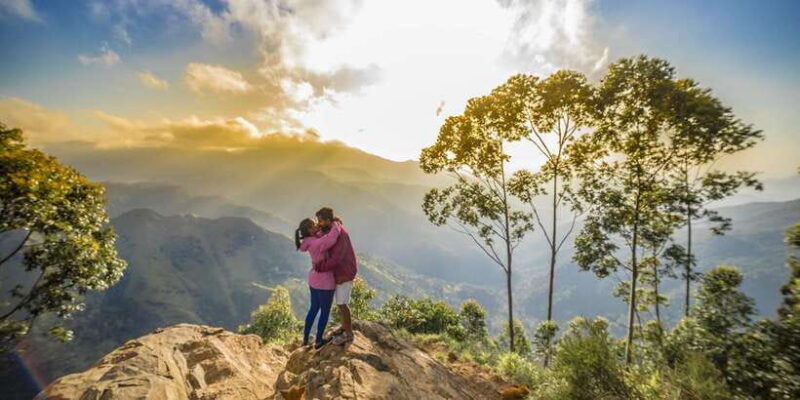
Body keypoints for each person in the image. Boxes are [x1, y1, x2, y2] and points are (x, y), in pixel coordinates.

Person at [313, 207, 358, 346]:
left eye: (320, 221)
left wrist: (320, 267)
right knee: (340, 303)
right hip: (340, 271)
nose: (318, 223)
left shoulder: (341, 234)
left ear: (328, 220)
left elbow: (337, 258)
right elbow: (322, 235)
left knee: (342, 303)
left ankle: (349, 334)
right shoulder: (333, 229)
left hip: (345, 272)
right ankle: (344, 327)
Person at [295, 217, 341, 349]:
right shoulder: (318, 243)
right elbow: (332, 238)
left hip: (313, 279)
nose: (317, 225)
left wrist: (323, 226)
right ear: (310, 229)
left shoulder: (308, 241)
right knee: (325, 312)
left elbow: (321, 235)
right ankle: (319, 340)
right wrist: (335, 224)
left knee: (313, 308)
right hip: (325, 281)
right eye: (314, 224)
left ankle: (305, 340)